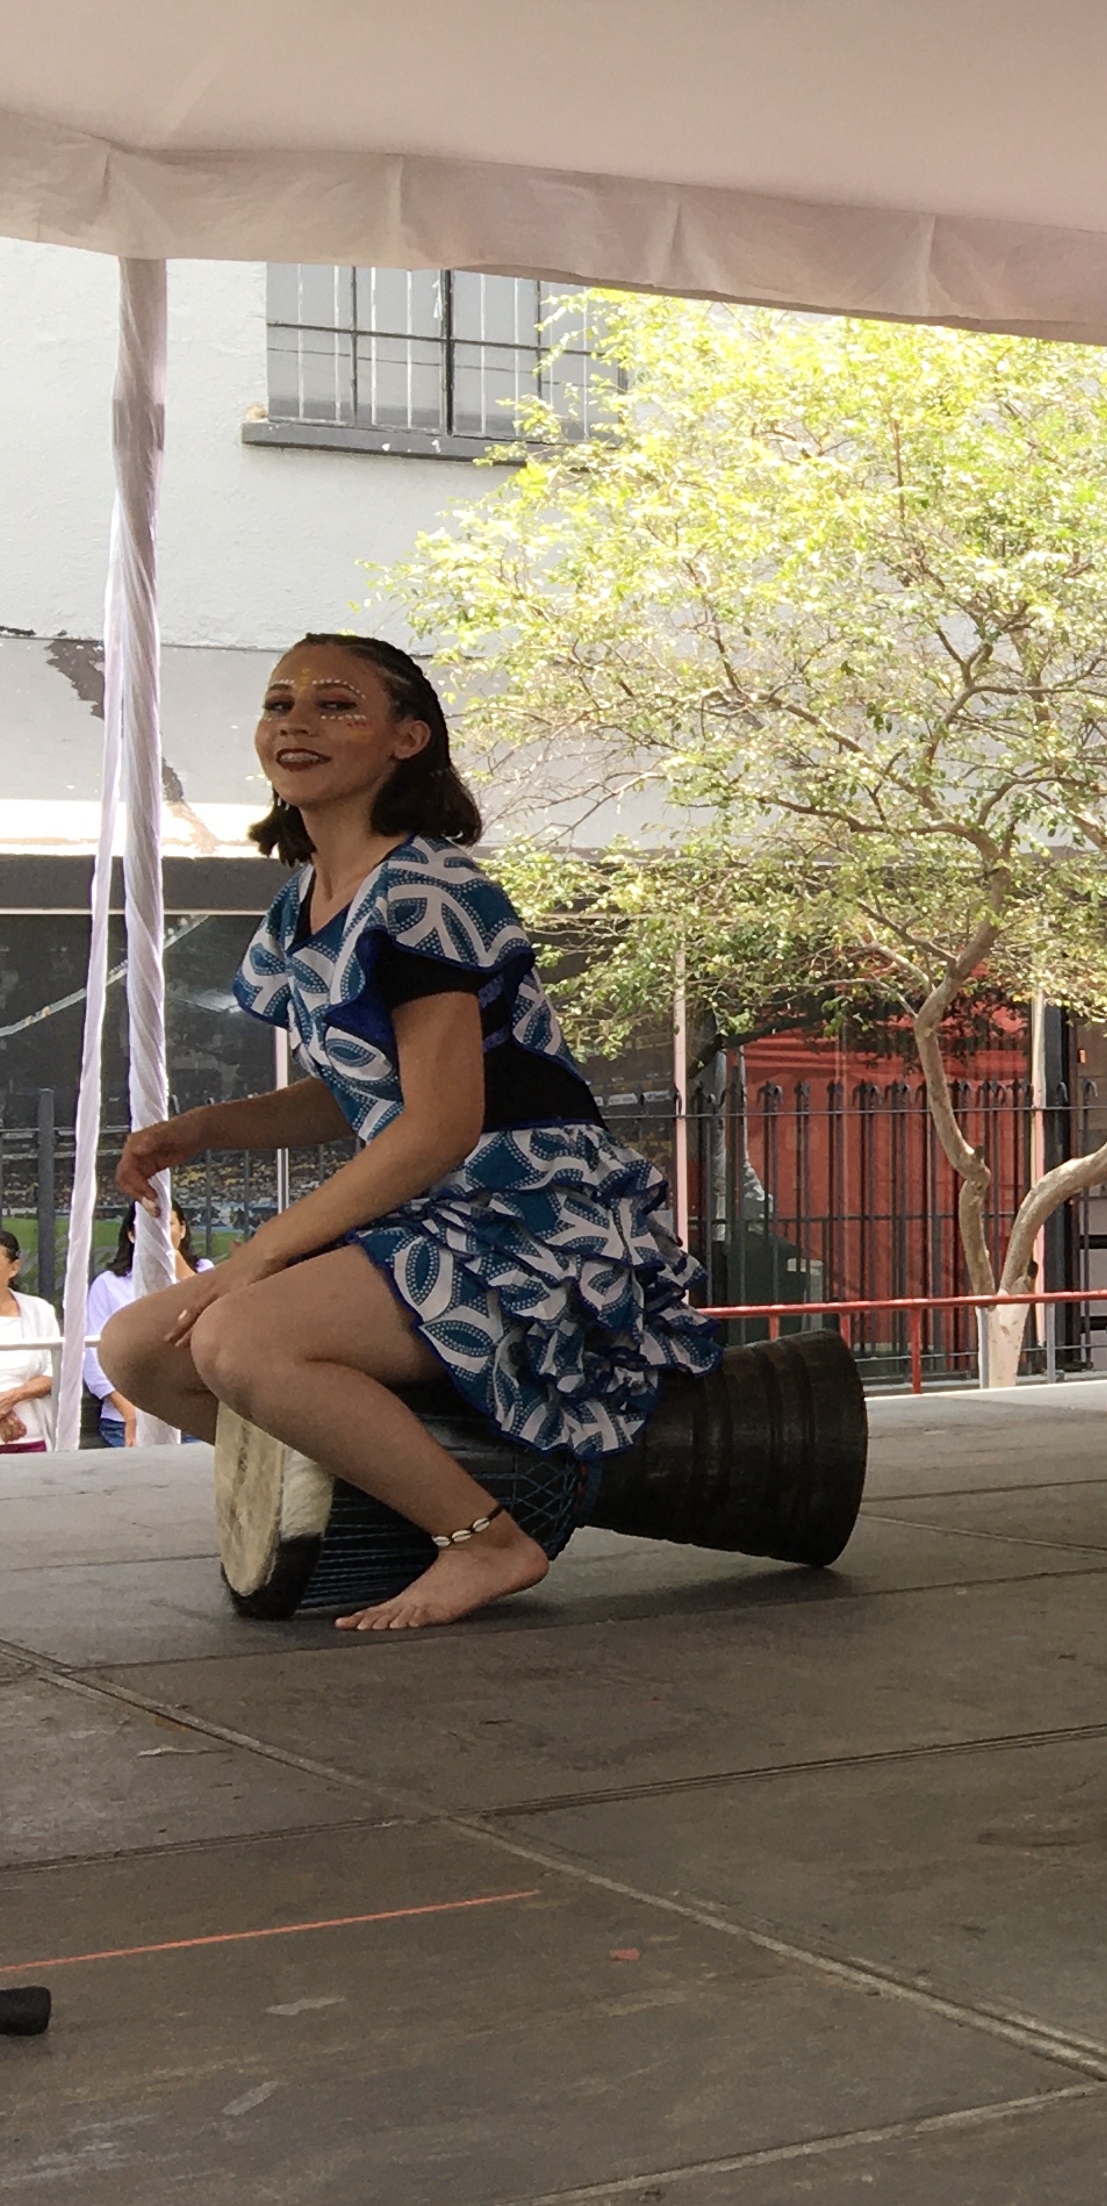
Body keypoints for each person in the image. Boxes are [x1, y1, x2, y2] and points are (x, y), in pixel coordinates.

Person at [99, 635, 719, 1627]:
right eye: (280, 701)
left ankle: (488, 1541)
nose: (296, 721)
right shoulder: (307, 904)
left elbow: (437, 1125)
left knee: (238, 1338)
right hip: (433, 1204)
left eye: (336, 704)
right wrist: (209, 1127)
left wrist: (255, 1257)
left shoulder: (427, 889)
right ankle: (389, 1501)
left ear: (407, 738)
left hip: (524, 1210)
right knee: (138, 1348)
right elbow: (360, 1092)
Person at [85, 1202, 199, 1447]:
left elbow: (209, 1311)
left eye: (166, 1224)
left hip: (193, 1416)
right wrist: (130, 1414)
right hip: (124, 1420)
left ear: (183, 1229)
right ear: (132, 1234)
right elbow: (93, 1357)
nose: (157, 1232)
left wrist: (173, 1257)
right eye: (148, 1227)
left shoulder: (204, 1272)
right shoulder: (108, 1284)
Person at [0, 1225, 60, 1453]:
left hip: (31, 1436)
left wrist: (12, 1398)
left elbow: (54, 1371)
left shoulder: (39, 1310)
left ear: (14, 1268)